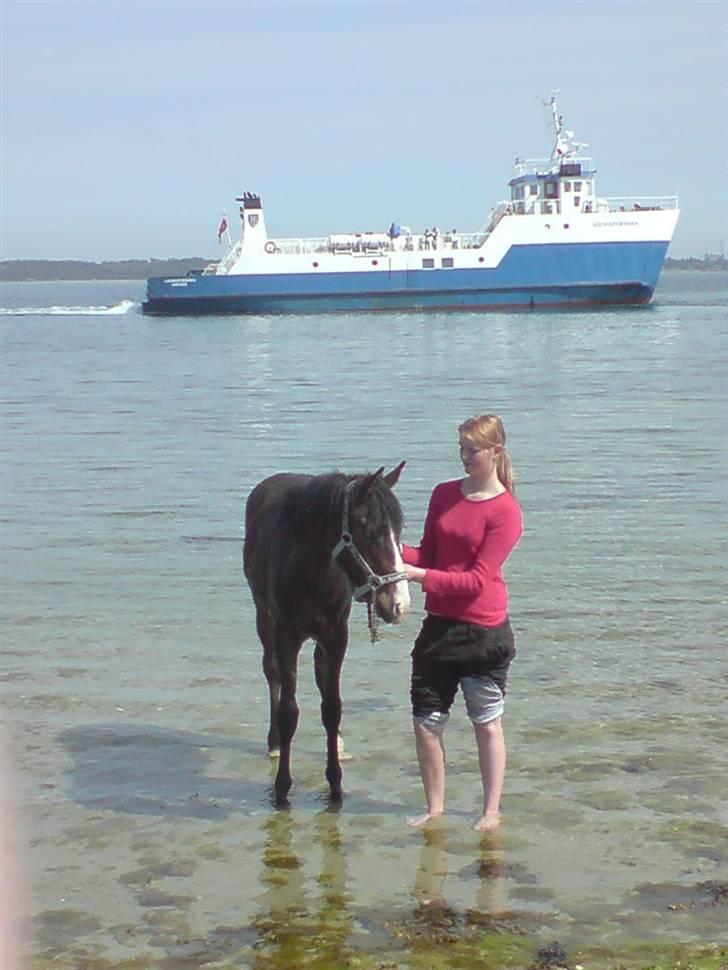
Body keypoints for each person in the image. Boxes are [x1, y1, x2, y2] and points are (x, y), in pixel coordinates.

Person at [402, 414, 522, 832]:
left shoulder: (506, 511)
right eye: (461, 448)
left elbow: (475, 581)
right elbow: (428, 554)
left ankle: (490, 812)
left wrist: (420, 578)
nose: (465, 456)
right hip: (437, 628)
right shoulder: (443, 495)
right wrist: (391, 551)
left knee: (486, 722)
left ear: (495, 452)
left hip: (484, 632)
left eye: (473, 449)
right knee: (425, 723)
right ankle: (435, 810)